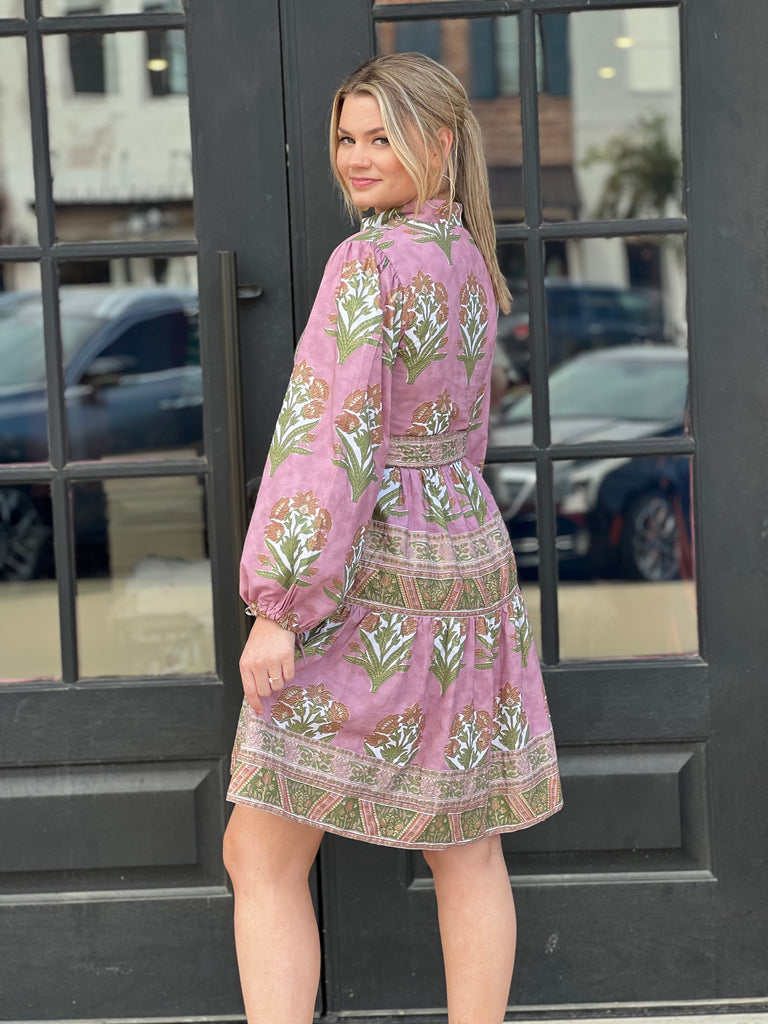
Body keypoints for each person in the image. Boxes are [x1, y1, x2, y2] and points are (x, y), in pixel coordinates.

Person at [223, 52, 562, 1024]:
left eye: (382, 137)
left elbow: (327, 439)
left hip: (374, 569)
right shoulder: (467, 260)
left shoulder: (367, 263)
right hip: (466, 553)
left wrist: (280, 607)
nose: (357, 157)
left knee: (259, 852)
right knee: (466, 844)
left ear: (440, 144)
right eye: (347, 137)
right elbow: (460, 432)